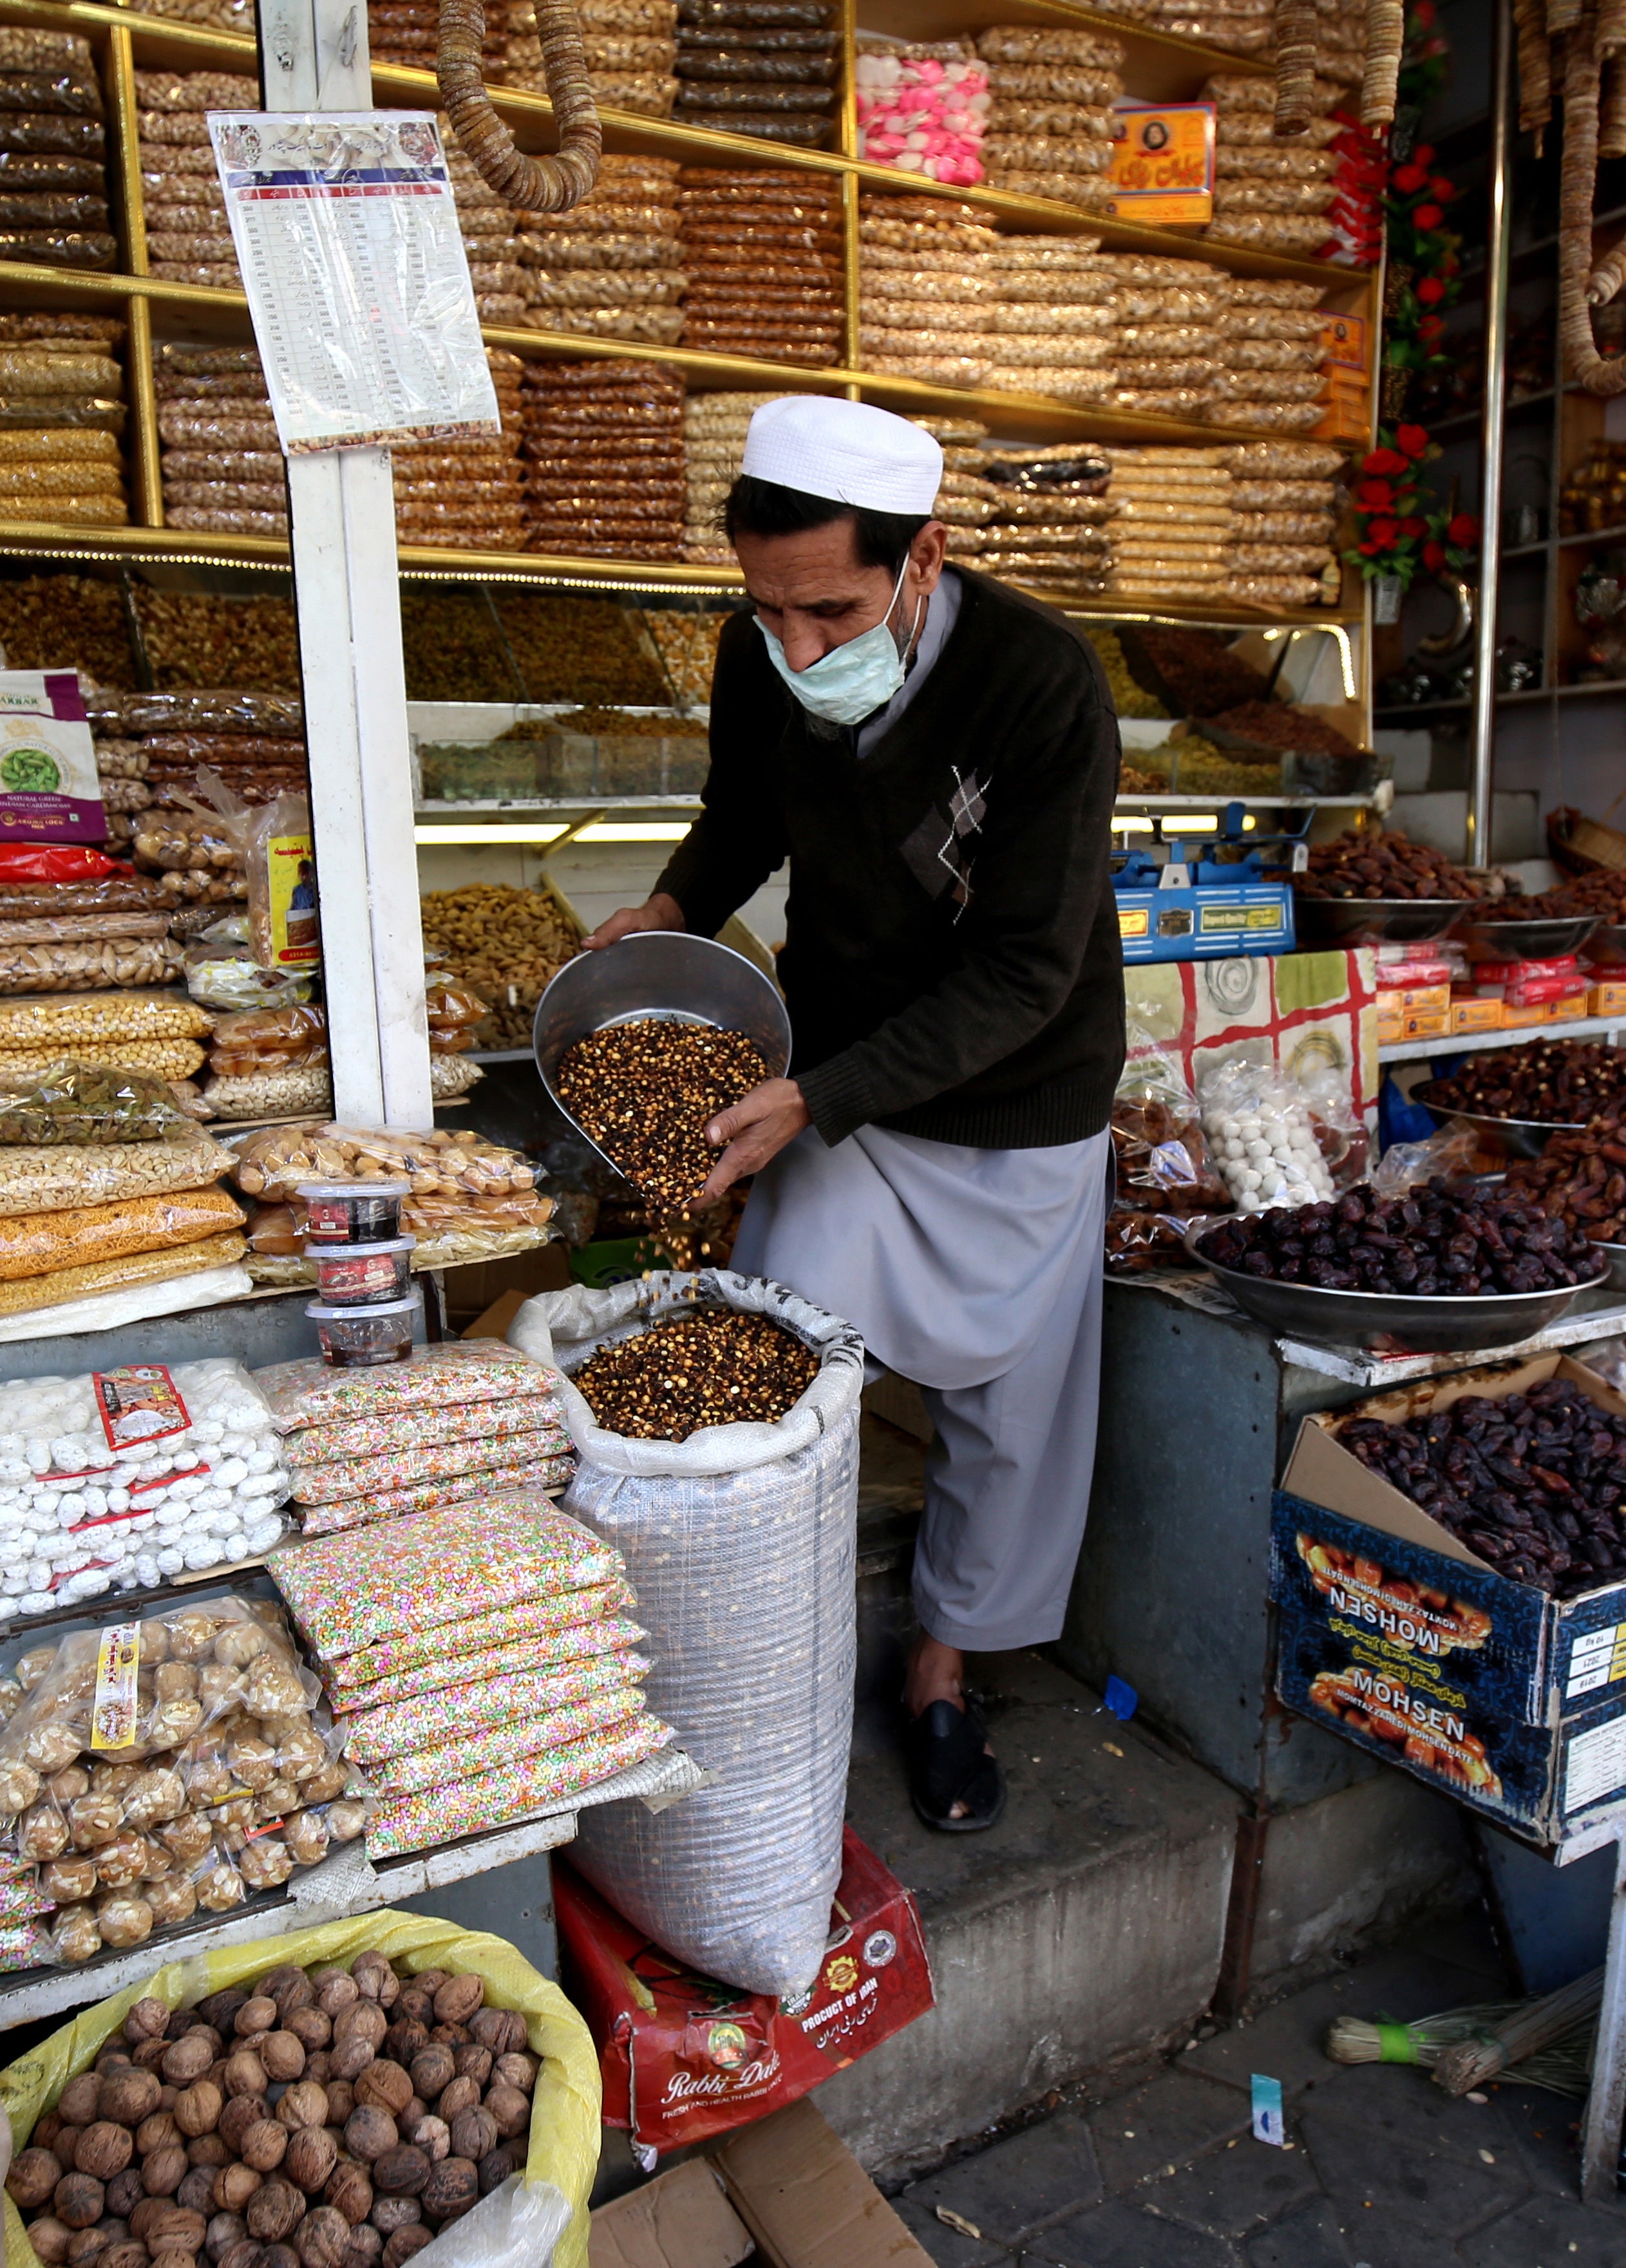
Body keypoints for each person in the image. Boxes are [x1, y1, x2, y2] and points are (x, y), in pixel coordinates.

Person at [584, 395, 1124, 1834]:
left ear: (925, 555)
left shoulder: (1042, 684)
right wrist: (673, 906)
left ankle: (943, 1671)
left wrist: (818, 1094)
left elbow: (1025, 968)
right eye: (770, 612)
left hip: (1013, 1093)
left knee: (1009, 1414)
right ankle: (775, 1660)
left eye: (829, 610)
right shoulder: (759, 644)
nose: (798, 646)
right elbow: (741, 813)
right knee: (783, 1367)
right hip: (836, 1081)